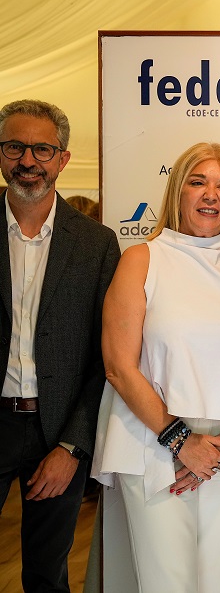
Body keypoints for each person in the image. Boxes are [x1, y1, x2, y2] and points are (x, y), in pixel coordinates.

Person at [91, 142, 220, 593]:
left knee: (216, 585)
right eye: (198, 182)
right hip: (154, 445)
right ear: (178, 191)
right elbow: (118, 366)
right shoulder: (142, 259)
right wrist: (180, 441)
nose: (211, 195)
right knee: (167, 585)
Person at [0, 99, 120, 592]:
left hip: (59, 435)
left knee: (47, 576)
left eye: (42, 149)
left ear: (63, 158)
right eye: (14, 146)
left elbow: (106, 359)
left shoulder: (96, 244)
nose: (28, 160)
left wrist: (73, 446)